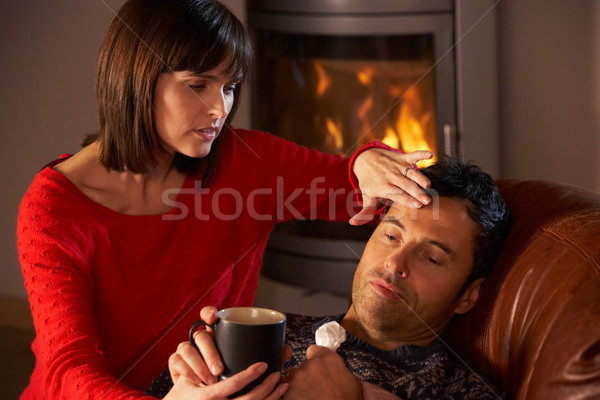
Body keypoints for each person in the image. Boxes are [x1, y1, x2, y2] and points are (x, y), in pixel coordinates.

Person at [16, 0, 434, 399]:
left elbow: (350, 185)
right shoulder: (54, 206)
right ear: (136, 78)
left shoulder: (245, 161)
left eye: (230, 87)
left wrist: (367, 162)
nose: (220, 107)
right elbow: (68, 367)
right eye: (198, 85)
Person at [150, 157, 511, 399]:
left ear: (469, 295)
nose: (396, 262)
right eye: (390, 236)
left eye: (431, 257)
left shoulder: (460, 390)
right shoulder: (270, 334)